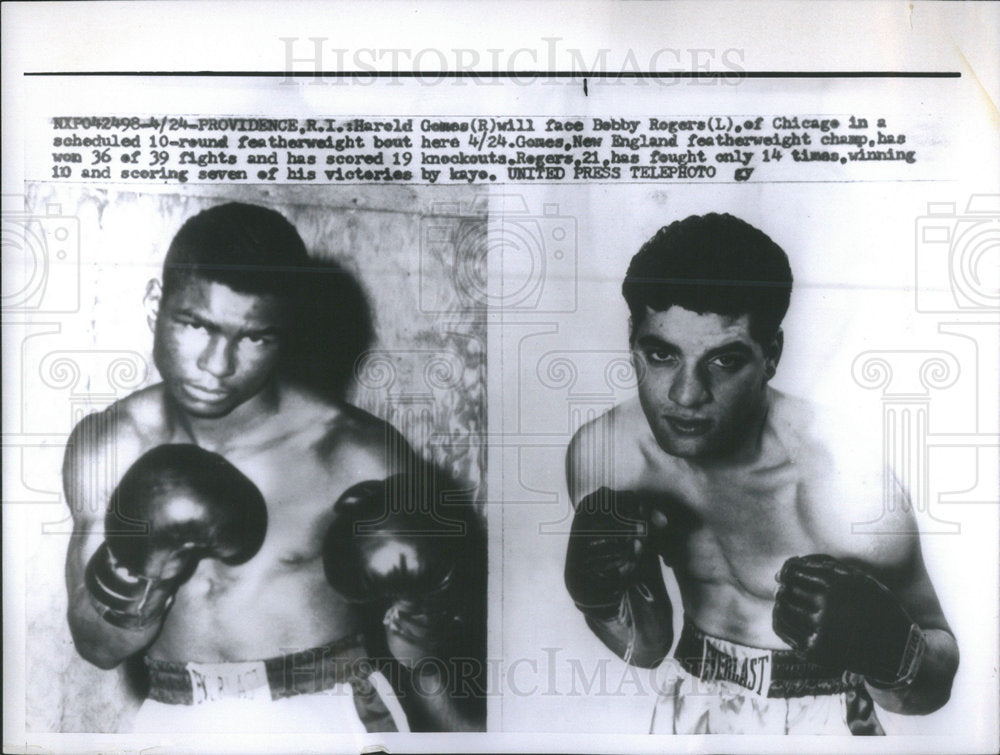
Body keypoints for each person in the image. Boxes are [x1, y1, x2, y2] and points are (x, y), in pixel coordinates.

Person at [63, 202, 484, 733]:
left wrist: (424, 635)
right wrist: (149, 569)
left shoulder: (352, 452)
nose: (218, 366)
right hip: (175, 716)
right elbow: (97, 647)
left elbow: (433, 663)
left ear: (286, 332)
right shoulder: (112, 445)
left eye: (254, 337)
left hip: (329, 716)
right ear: (155, 305)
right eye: (196, 325)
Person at [563, 213, 959, 735]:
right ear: (632, 340)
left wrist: (890, 649)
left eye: (723, 362)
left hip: (828, 720)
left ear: (770, 356)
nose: (685, 395)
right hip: (692, 705)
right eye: (661, 355)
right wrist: (598, 600)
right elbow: (648, 648)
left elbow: (930, 687)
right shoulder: (607, 454)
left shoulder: (845, 479)